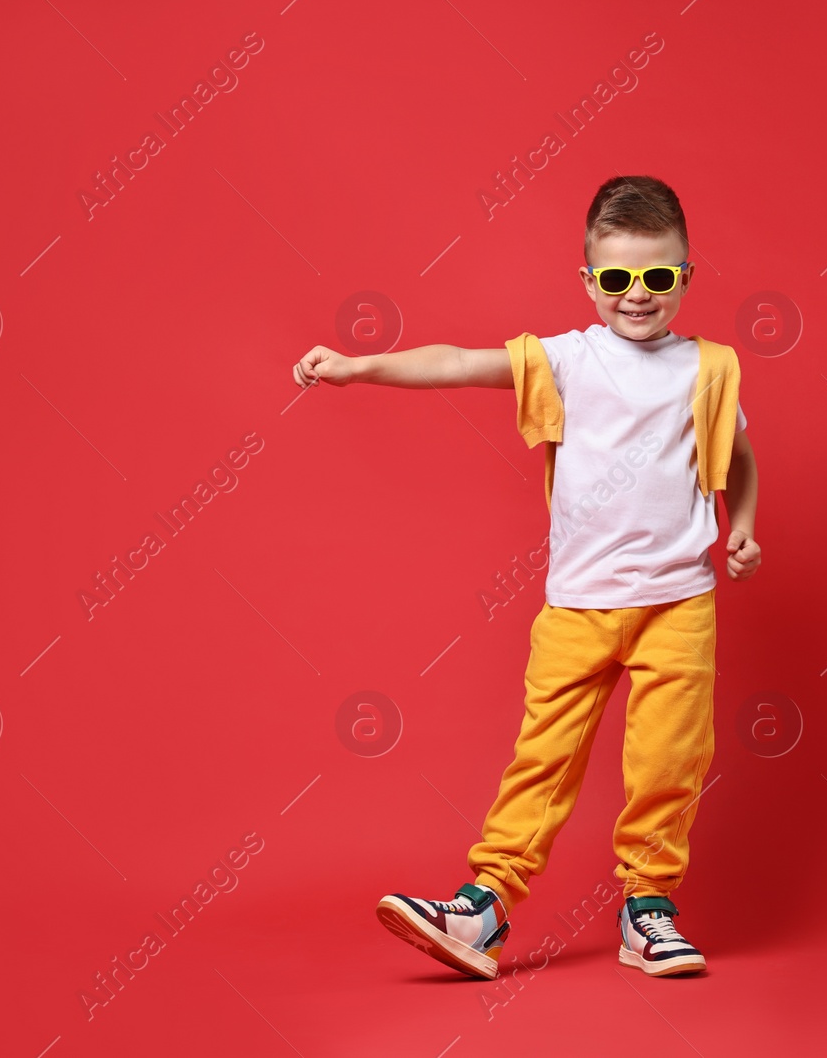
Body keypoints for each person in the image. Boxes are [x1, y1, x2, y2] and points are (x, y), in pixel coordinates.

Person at [292, 175, 762, 979]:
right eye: (616, 278)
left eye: (657, 276)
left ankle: (648, 909)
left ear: (687, 276)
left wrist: (743, 525)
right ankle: (484, 907)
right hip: (579, 605)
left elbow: (738, 457)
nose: (637, 295)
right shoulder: (568, 359)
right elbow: (457, 363)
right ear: (588, 281)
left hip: (680, 601)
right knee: (543, 756)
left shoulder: (707, 368)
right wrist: (360, 365)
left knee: (669, 759)